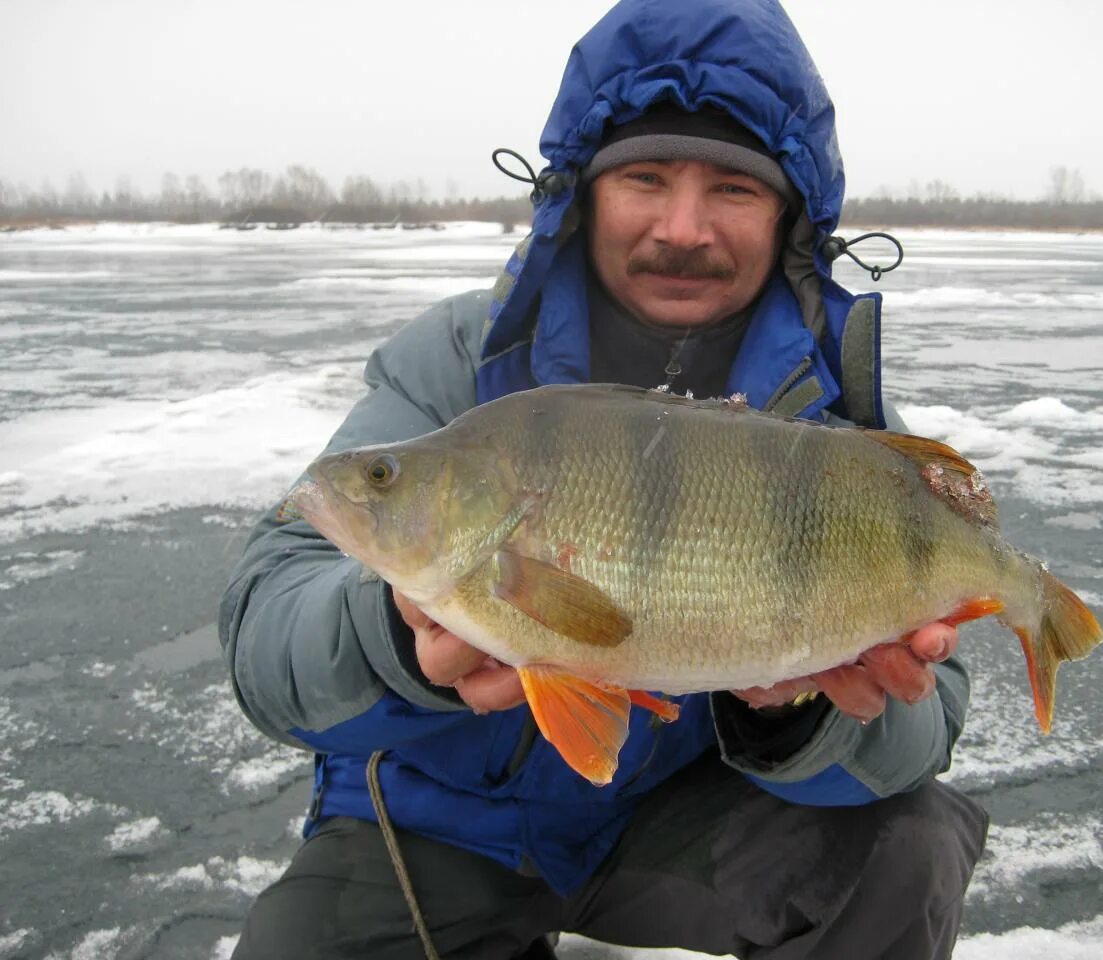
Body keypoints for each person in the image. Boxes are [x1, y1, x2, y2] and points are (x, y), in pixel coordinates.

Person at [219, 0, 988, 957]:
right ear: (581, 194)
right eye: (646, 177)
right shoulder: (457, 363)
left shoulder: (833, 426)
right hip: (436, 827)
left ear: (792, 216)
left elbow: (931, 718)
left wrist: (802, 712)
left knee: (906, 849)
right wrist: (394, 636)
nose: (683, 227)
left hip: (686, 826)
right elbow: (266, 628)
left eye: (736, 191)